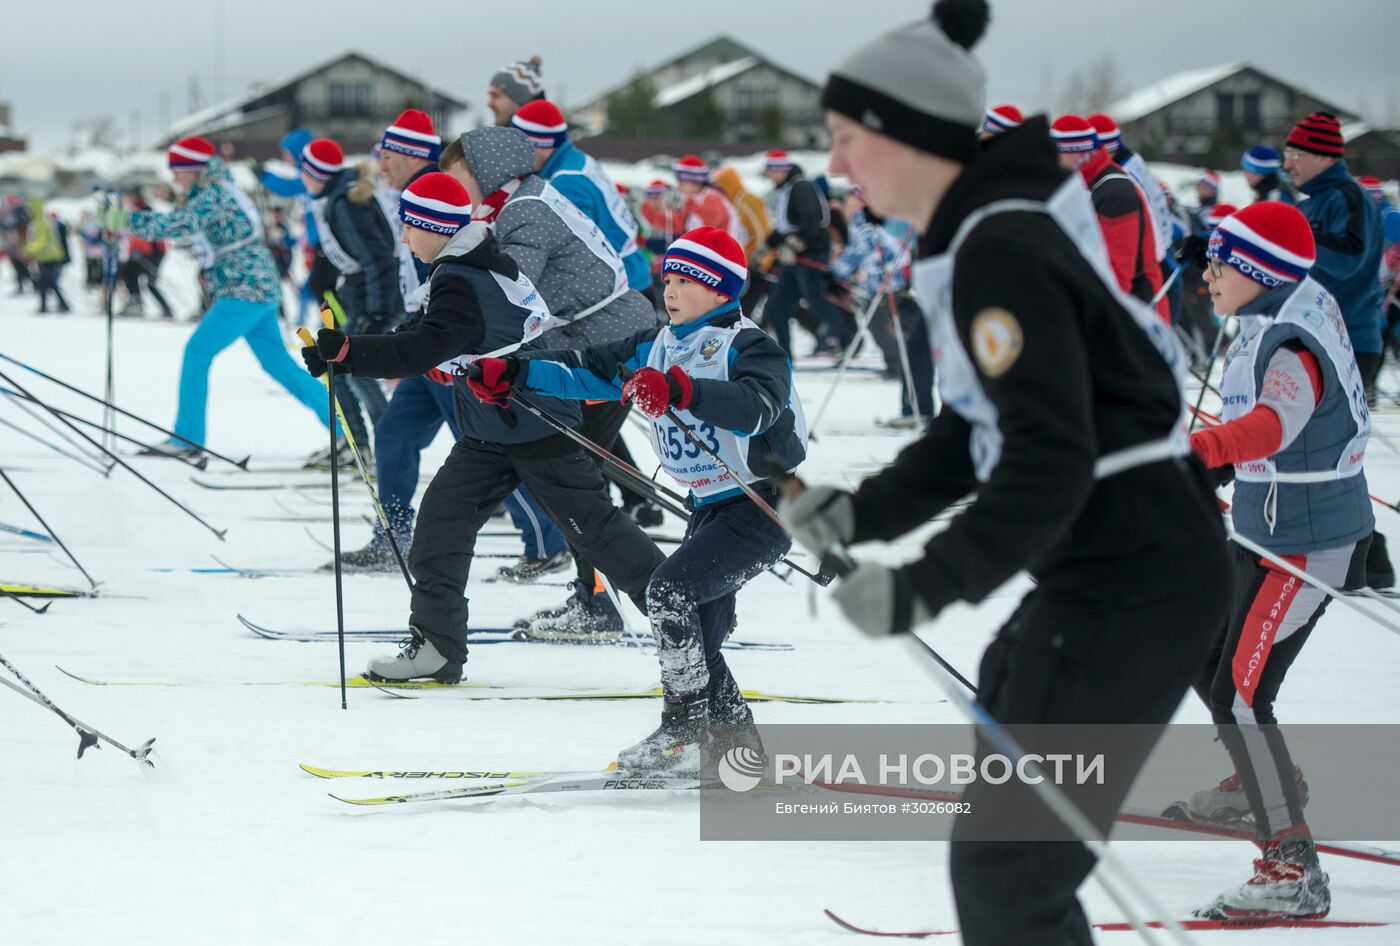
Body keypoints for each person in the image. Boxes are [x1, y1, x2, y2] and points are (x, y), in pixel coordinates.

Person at [785, 4, 1231, 943]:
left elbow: (1049, 459)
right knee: (1008, 843)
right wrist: (862, 512)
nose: (835, 167)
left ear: (905, 134)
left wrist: (917, 588)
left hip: (1135, 577)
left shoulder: (1000, 246)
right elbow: (976, 426)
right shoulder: (988, 233)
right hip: (1111, 567)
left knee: (1007, 870)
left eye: (844, 138)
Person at [301, 171, 664, 681]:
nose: (403, 238)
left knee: (596, 532)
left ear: (433, 226)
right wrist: (346, 353)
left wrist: (350, 352)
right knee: (440, 526)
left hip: (534, 423)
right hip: (490, 430)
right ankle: (437, 647)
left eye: (409, 227)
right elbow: (427, 335)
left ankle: (684, 615)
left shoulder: (463, 277)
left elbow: (424, 345)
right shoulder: (464, 265)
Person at [465, 227, 805, 770]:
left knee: (668, 593)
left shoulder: (748, 345)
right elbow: (587, 370)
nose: (670, 290)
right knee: (700, 638)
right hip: (709, 507)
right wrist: (514, 372)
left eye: (686, 280)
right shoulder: (659, 341)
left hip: (764, 505)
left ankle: (683, 731)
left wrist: (682, 390)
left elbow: (756, 408)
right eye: (667, 278)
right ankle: (739, 753)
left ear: (720, 291)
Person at [1186, 201, 1372, 919]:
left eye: (1219, 263)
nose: (1207, 274)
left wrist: (1201, 452)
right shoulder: (1277, 312)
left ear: (1257, 271)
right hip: (1269, 531)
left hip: (1307, 546)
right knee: (1206, 658)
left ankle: (1292, 870)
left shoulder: (1291, 343)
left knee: (1240, 691)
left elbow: (1273, 425)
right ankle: (1265, 781)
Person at [440, 126, 664, 636]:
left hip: (603, 349)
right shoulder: (518, 202)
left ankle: (622, 600)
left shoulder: (524, 211)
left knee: (572, 483)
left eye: (455, 175)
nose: (451, 186)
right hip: (591, 346)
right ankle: (602, 597)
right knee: (575, 481)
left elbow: (509, 289)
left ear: (484, 171)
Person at [104, 136, 332, 457]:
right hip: (255, 286)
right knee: (278, 365)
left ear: (195, 169)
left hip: (245, 288)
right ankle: (344, 427)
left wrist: (126, 220)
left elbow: (179, 224)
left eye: (178, 171)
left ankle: (187, 438)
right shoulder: (215, 189)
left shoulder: (212, 194)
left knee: (197, 351)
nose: (174, 178)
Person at [1283, 111, 1393, 589]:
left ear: (1324, 155)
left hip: (1349, 337)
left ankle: (1367, 557)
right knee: (1315, 450)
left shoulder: (1344, 196)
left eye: (1295, 154)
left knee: (1332, 452)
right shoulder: (1316, 200)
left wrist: (1285, 238)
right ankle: (1355, 555)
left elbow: (1346, 258)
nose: (1288, 163)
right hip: (1321, 338)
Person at [300, 137, 403, 463]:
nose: (301, 178)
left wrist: (375, 312)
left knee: (358, 371)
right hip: (358, 293)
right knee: (336, 367)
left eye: (303, 170)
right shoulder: (335, 198)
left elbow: (377, 259)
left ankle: (389, 448)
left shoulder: (345, 204)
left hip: (374, 297)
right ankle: (357, 445)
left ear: (315, 174)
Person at [1052, 115, 1169, 322]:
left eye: (1056, 154)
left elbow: (1117, 274)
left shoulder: (1114, 193)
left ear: (1076, 154)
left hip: (1139, 312)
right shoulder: (1090, 183)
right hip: (1117, 309)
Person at [831, 188, 931, 426]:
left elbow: (887, 251)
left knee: (904, 342)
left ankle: (915, 405)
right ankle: (914, 407)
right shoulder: (863, 222)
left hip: (885, 288)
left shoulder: (870, 224)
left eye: (852, 198)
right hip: (879, 287)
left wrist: (835, 271)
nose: (847, 203)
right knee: (910, 345)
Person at [761, 149, 855, 354]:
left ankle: (849, 340)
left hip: (810, 255)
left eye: (770, 171)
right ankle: (783, 353)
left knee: (816, 300)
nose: (768, 177)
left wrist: (794, 244)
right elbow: (785, 227)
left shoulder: (800, 187)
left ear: (779, 170)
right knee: (777, 306)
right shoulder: (788, 189)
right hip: (796, 258)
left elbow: (811, 221)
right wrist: (765, 247)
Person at [119, 193, 175, 319]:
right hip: (146, 253)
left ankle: (163, 309)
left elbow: (146, 236)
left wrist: (137, 250)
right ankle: (137, 302)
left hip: (152, 254)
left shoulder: (144, 213)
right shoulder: (136, 212)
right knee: (130, 273)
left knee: (147, 281)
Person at [22, 199, 71, 314]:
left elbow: (42, 241)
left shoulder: (41, 223)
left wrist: (28, 249)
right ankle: (54, 305)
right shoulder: (39, 222)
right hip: (45, 257)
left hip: (50, 257)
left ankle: (51, 306)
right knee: (48, 282)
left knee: (47, 282)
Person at [486, 56, 545, 127]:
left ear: (520, 98)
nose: (489, 104)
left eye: (496, 96)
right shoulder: (505, 136)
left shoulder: (541, 136)